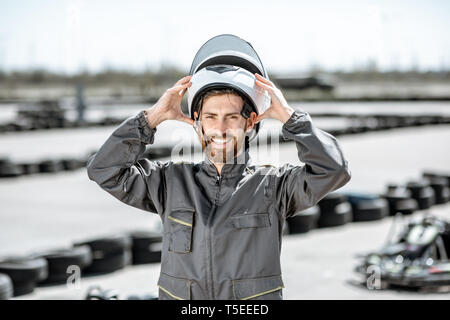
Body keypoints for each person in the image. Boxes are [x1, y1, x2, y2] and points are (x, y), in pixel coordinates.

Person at [87, 72, 351, 300]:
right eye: (211, 117)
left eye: (232, 117)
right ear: (198, 122)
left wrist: (292, 119)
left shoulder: (274, 186)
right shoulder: (170, 182)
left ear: (249, 123)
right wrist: (150, 118)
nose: (221, 128)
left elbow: (334, 170)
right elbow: (104, 170)